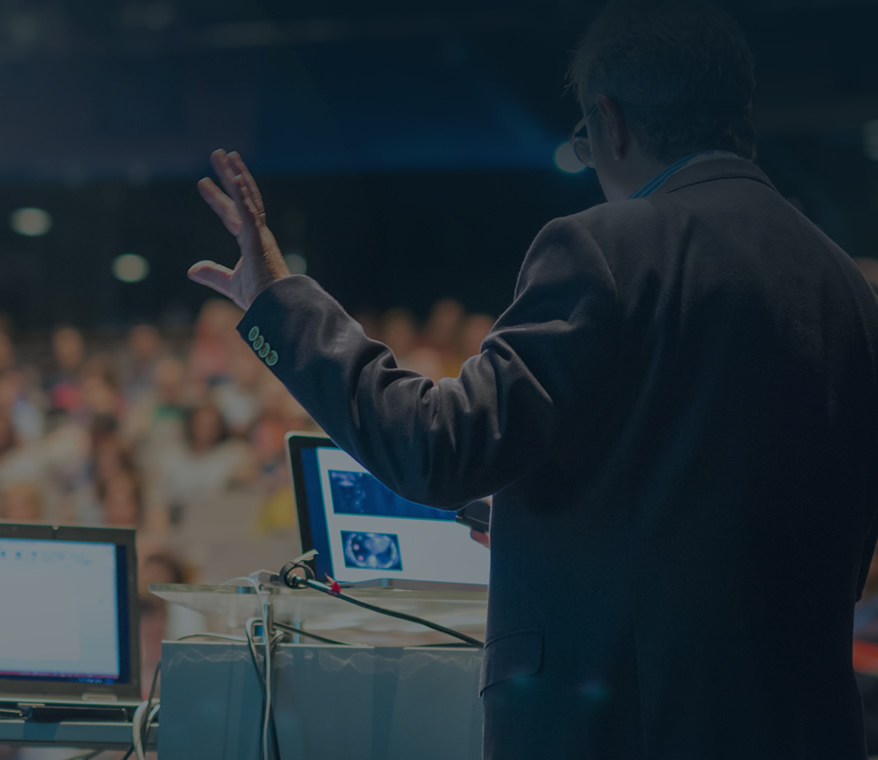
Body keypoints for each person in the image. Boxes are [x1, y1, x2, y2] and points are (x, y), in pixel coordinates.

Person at [187, 2, 878, 758]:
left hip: (620, 731)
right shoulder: (847, 287)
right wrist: (548, 524)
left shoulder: (607, 246)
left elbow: (437, 449)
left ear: (610, 122)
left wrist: (278, 302)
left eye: (585, 139)